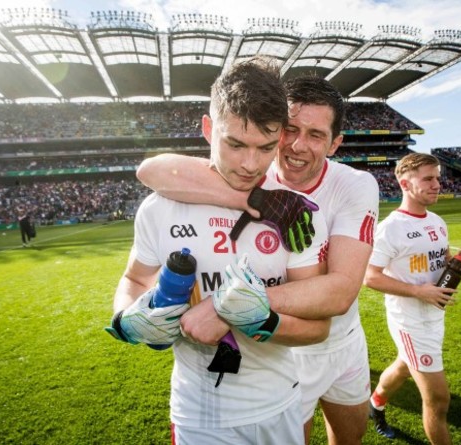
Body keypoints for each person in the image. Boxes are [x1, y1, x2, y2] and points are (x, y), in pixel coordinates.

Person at [137, 75, 380, 444]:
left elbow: (341, 290)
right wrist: (253, 200)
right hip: (283, 349)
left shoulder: (354, 185)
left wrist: (226, 305)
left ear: (335, 144)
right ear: (277, 129)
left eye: (315, 135)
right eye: (291, 130)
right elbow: (150, 170)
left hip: (340, 339)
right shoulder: (250, 171)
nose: (298, 145)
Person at [108, 56, 331, 445]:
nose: (249, 164)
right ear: (209, 129)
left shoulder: (295, 216)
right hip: (200, 415)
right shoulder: (159, 208)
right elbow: (134, 279)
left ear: (279, 137)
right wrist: (128, 317)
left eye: (265, 147)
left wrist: (263, 320)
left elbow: (318, 328)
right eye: (235, 144)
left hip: (280, 406)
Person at [363, 153, 461, 444]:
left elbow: (441, 259)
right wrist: (418, 291)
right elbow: (369, 276)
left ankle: (375, 403)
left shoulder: (437, 221)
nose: (437, 184)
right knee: (438, 399)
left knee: (403, 365)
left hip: (434, 314)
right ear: (405, 183)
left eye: (437, 177)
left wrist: (457, 263)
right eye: (428, 178)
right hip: (410, 320)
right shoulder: (391, 228)